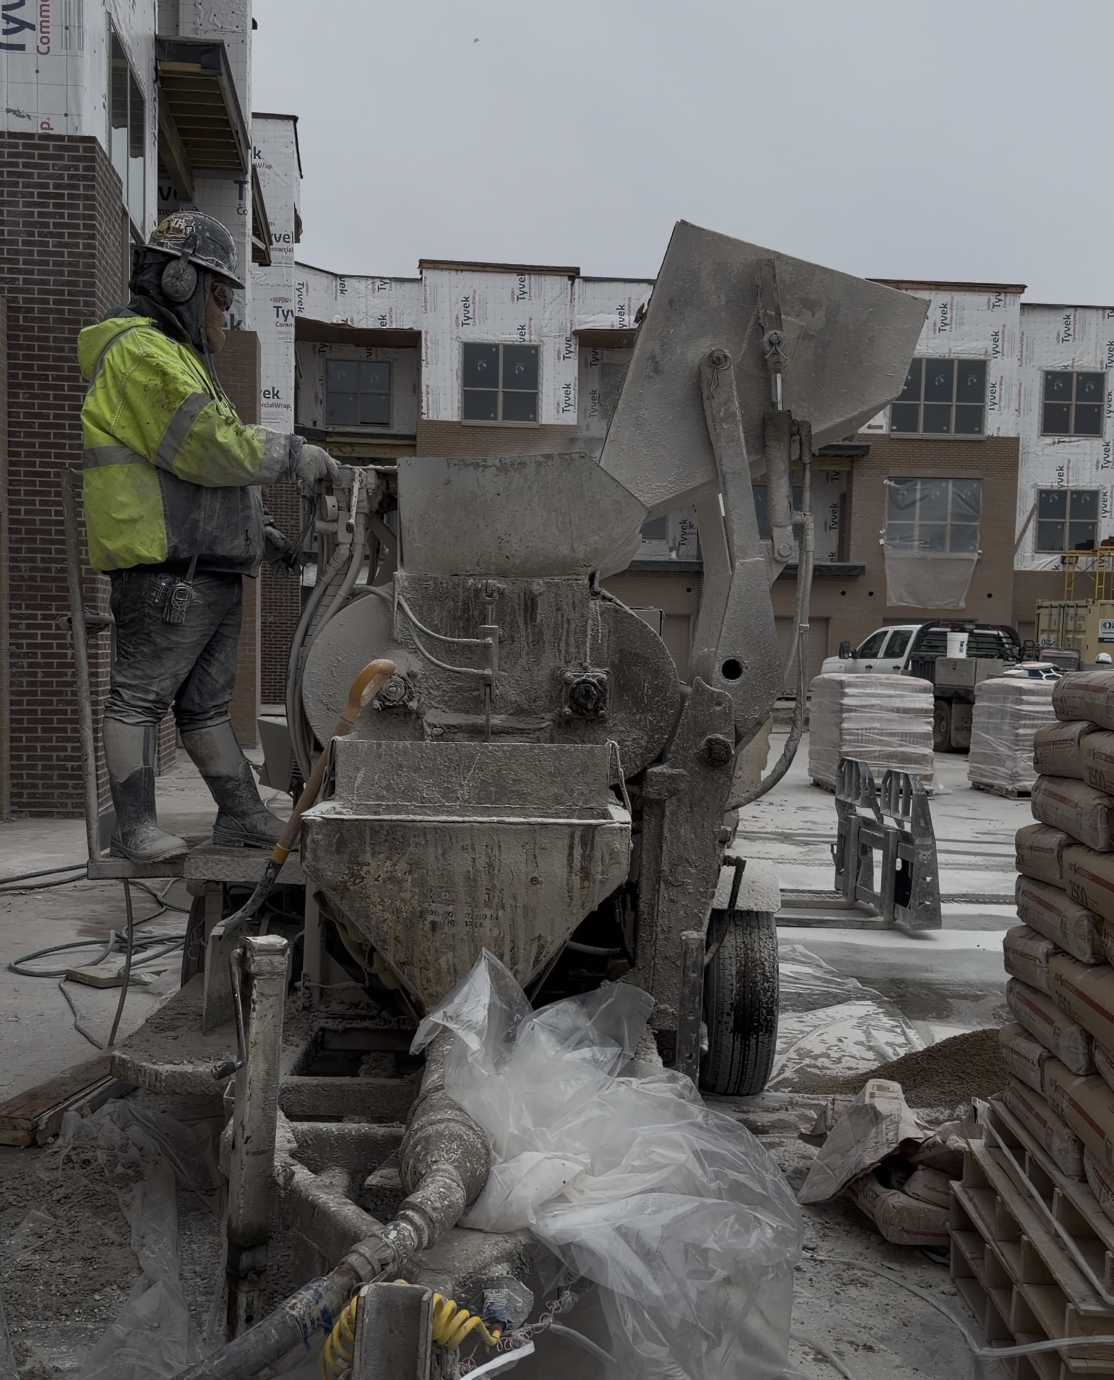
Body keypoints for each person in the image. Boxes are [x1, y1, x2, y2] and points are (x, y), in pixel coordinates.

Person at [77, 211, 339, 862]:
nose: (226, 311)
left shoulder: (183, 359)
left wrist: (267, 533)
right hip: (164, 567)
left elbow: (224, 476)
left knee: (205, 708)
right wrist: (292, 452)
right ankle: (136, 830)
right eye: (221, 295)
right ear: (178, 281)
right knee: (140, 697)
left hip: (209, 565)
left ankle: (242, 816)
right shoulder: (140, 352)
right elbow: (206, 449)